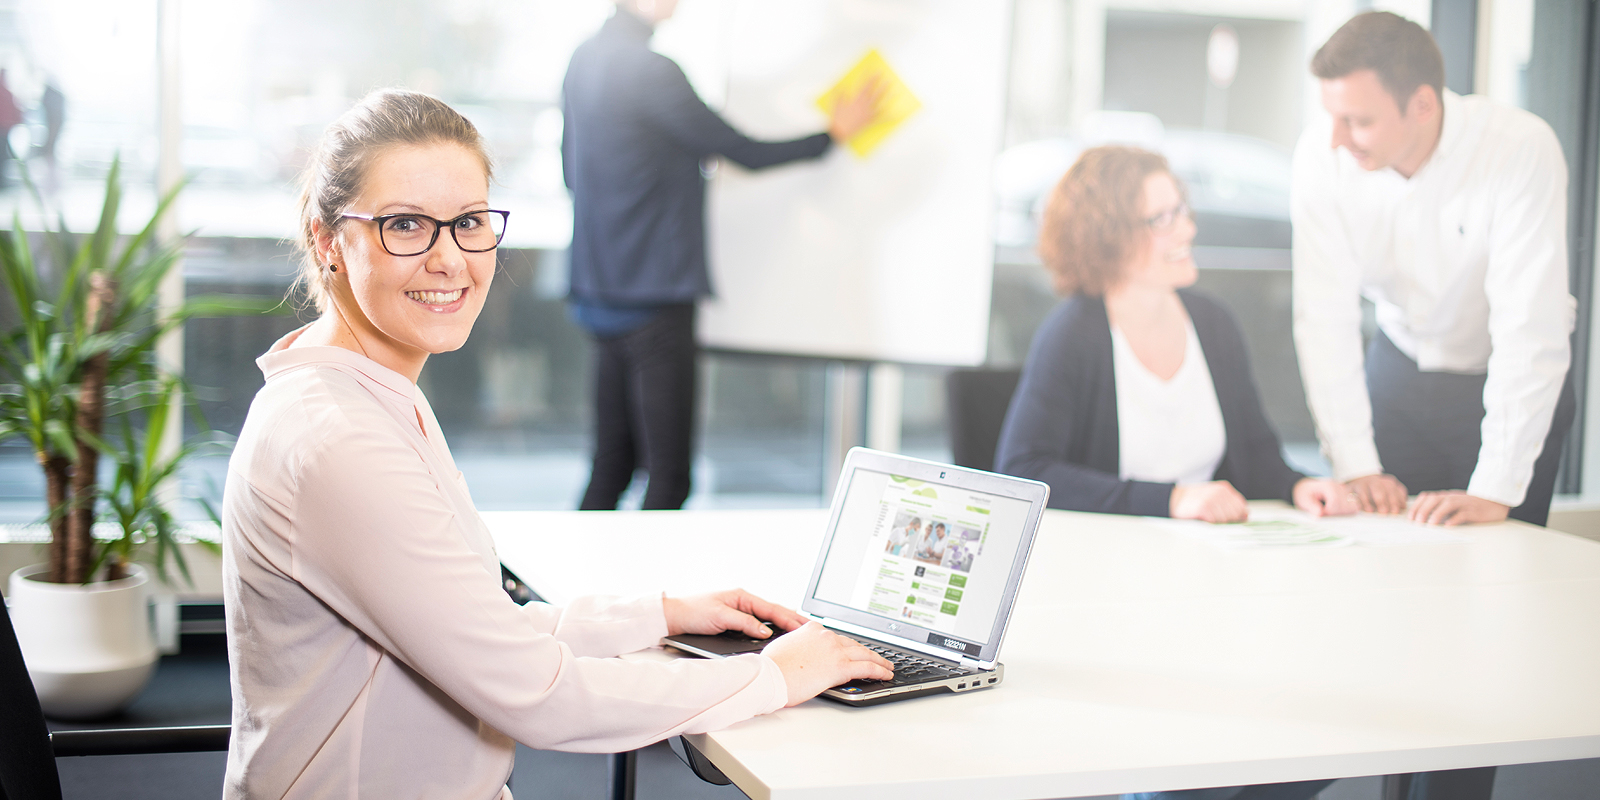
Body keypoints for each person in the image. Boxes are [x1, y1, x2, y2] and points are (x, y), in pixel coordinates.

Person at [220, 89, 892, 799]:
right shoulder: (338, 440)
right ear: (329, 240)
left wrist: (657, 615)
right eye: (406, 225)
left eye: (470, 222)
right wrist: (778, 675)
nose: (450, 260)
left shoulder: (366, 392)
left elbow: (475, 627)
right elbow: (537, 694)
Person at [562, 0, 881, 511]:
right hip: (654, 295)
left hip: (599, 287)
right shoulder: (653, 71)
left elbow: (570, 175)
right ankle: (644, 591)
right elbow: (744, 152)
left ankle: (568, 590)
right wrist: (832, 134)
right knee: (668, 478)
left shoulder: (584, 59)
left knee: (611, 465)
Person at [1292, 11, 1575, 530]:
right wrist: (1355, 465)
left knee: (1499, 563)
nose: (1335, 137)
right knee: (1386, 558)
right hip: (1397, 372)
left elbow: (1530, 328)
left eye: (1358, 120)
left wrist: (1496, 487)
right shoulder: (1321, 155)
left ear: (1423, 105)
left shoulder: (1519, 149)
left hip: (1503, 380)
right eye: (1332, 115)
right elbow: (1323, 318)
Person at [995, 146, 1357, 528]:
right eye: (1162, 219)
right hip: (1112, 560)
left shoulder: (1213, 323)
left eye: (1181, 210)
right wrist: (1171, 499)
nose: (1187, 229)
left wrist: (1297, 486)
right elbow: (1026, 472)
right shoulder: (1072, 335)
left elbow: (1255, 452)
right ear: (1107, 238)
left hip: (1208, 554)